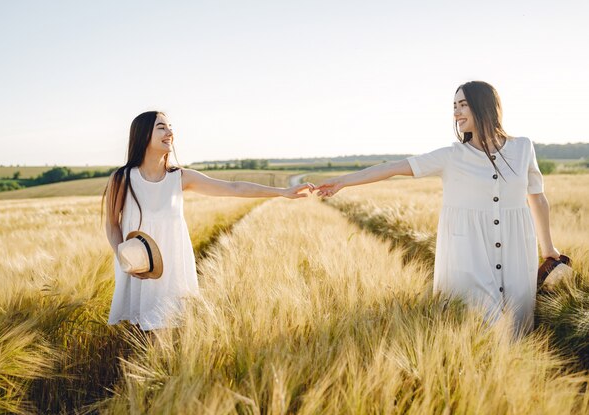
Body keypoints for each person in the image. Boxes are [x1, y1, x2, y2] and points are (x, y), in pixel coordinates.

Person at [315, 81, 559, 335]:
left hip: (517, 253)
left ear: (485, 106)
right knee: (480, 329)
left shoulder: (522, 148)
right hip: (468, 256)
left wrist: (548, 248)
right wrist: (343, 181)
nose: (456, 113)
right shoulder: (451, 156)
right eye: (454, 106)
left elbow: (537, 198)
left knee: (518, 329)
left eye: (463, 105)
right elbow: (394, 167)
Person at [103, 111, 312, 330]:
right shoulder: (122, 178)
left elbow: (234, 188)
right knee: (140, 336)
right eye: (162, 127)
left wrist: (283, 191)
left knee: (163, 335)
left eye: (170, 126)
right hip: (138, 266)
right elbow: (111, 224)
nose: (170, 133)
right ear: (143, 134)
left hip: (172, 268)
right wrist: (125, 257)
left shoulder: (180, 177)